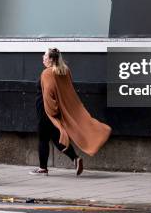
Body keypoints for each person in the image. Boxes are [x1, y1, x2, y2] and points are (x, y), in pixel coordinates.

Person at [29, 48, 111, 176]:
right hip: (58, 109)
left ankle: (43, 168)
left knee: (43, 137)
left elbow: (49, 94)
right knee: (56, 136)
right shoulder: (65, 70)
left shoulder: (47, 73)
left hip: (46, 110)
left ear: (51, 59)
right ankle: (74, 159)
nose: (42, 57)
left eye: (45, 55)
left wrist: (51, 112)